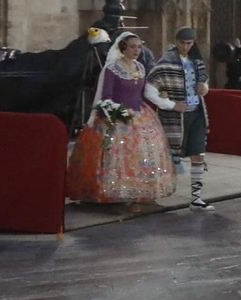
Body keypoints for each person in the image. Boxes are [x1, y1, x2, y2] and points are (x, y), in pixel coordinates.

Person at [65, 32, 177, 204]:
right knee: (117, 156)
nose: (136, 50)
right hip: (117, 117)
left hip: (141, 115)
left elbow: (144, 92)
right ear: (123, 47)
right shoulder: (111, 69)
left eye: (139, 47)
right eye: (132, 46)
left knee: (143, 154)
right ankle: (113, 192)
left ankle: (139, 190)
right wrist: (120, 112)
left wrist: (163, 98)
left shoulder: (140, 67)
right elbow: (105, 97)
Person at [150, 27, 213, 211]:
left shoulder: (197, 61)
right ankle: (152, 191)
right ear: (176, 42)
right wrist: (171, 104)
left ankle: (196, 197)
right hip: (175, 117)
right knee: (167, 155)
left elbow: (203, 82)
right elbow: (150, 88)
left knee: (198, 154)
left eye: (189, 43)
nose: (185, 47)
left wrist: (205, 89)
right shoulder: (166, 62)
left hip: (196, 113)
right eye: (182, 43)